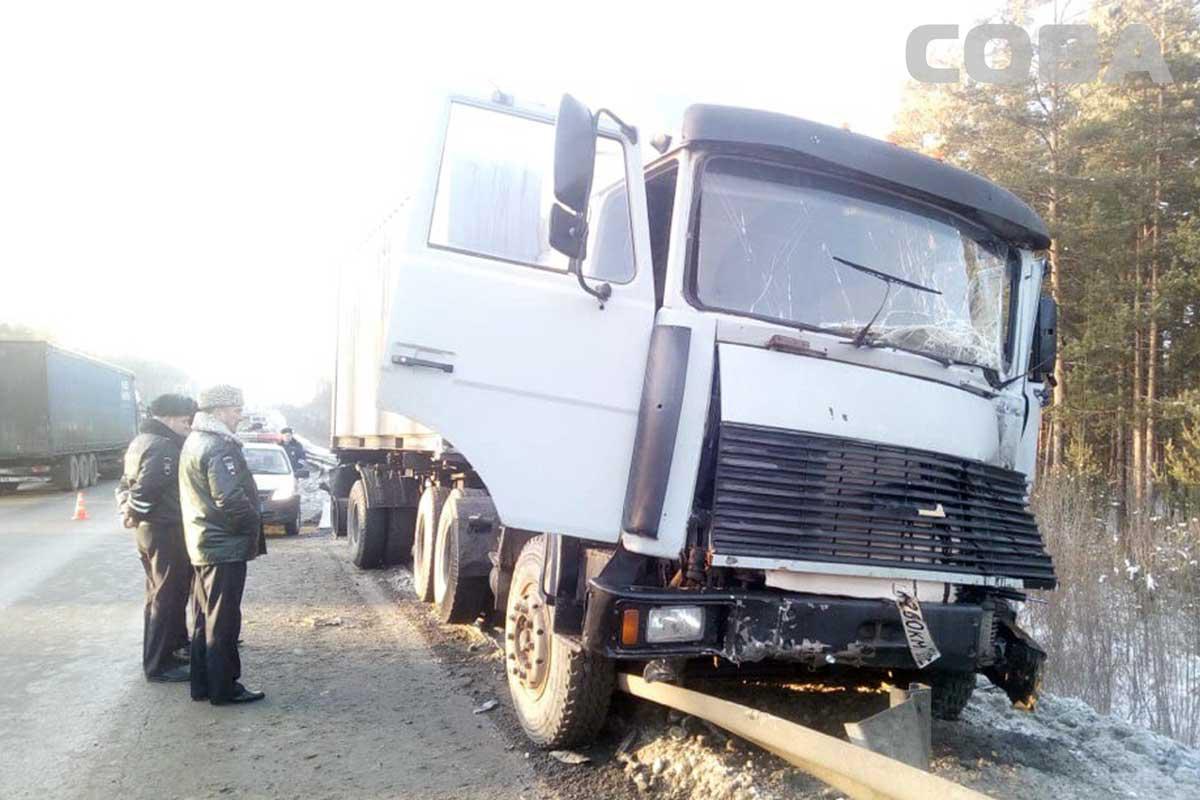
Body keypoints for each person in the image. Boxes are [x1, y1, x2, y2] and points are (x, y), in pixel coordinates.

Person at [179, 384, 267, 705]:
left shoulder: (194, 441)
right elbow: (230, 498)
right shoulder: (218, 447)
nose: (239, 416)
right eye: (235, 409)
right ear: (217, 412)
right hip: (222, 545)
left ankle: (203, 684)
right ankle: (225, 687)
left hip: (203, 542)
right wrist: (252, 524)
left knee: (205, 617)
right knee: (224, 619)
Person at [118, 393, 198, 683]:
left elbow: (126, 484)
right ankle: (159, 664)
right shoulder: (164, 446)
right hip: (165, 527)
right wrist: (135, 512)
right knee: (167, 594)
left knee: (160, 593)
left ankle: (175, 647)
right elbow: (148, 488)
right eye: (185, 421)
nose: (188, 427)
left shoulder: (140, 441)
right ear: (170, 419)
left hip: (151, 529)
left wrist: (128, 511)